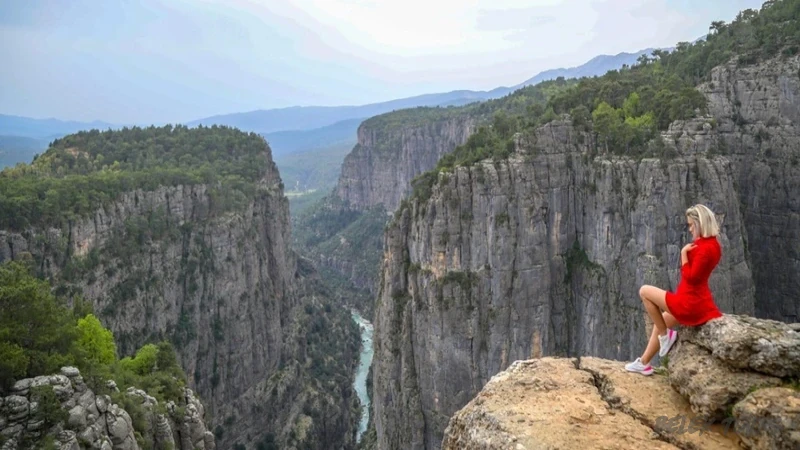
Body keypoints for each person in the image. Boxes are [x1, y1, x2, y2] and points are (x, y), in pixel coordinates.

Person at [625, 204, 724, 375]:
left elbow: (691, 277)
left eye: (692, 225)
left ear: (701, 224)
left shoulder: (702, 249)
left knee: (645, 292)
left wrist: (683, 255)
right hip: (700, 301)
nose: (690, 229)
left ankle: (666, 336)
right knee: (662, 319)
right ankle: (644, 363)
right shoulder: (714, 245)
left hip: (688, 303)